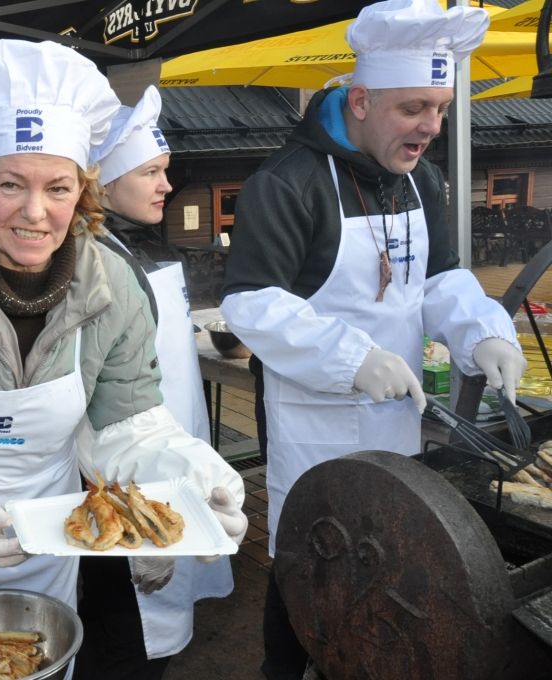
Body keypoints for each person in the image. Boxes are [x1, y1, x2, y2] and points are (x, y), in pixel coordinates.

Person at [0, 39, 248, 678]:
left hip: (42, 556)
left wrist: (192, 476)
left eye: (58, 187)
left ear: (83, 189)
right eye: (10, 185)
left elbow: (128, 425)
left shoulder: (111, 284)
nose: (36, 213)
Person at [219, 1, 526, 678]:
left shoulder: (423, 181)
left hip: (400, 418)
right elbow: (251, 303)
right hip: (318, 424)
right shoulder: (289, 184)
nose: (431, 127)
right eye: (414, 107)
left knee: (386, 561)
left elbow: (441, 280)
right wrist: (352, 359)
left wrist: (484, 334)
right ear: (360, 100)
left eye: (441, 109)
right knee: (310, 558)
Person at [74, 85, 236, 680]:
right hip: (126, 474)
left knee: (146, 636)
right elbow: (95, 401)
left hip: (169, 453)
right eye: (151, 172)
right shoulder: (95, 261)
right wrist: (136, 503)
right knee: (126, 636)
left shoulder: (139, 243)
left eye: (165, 170)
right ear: (104, 184)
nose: (167, 185)